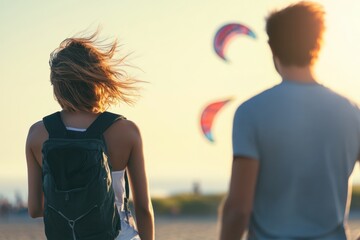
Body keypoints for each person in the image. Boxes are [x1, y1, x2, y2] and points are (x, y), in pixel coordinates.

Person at [219, 2, 360, 239]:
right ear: (318, 44)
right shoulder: (351, 112)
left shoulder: (250, 112)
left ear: (272, 47)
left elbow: (238, 210)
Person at [26, 32, 155, 240]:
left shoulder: (37, 134)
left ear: (58, 85)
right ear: (98, 80)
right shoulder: (126, 131)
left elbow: (35, 209)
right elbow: (143, 208)